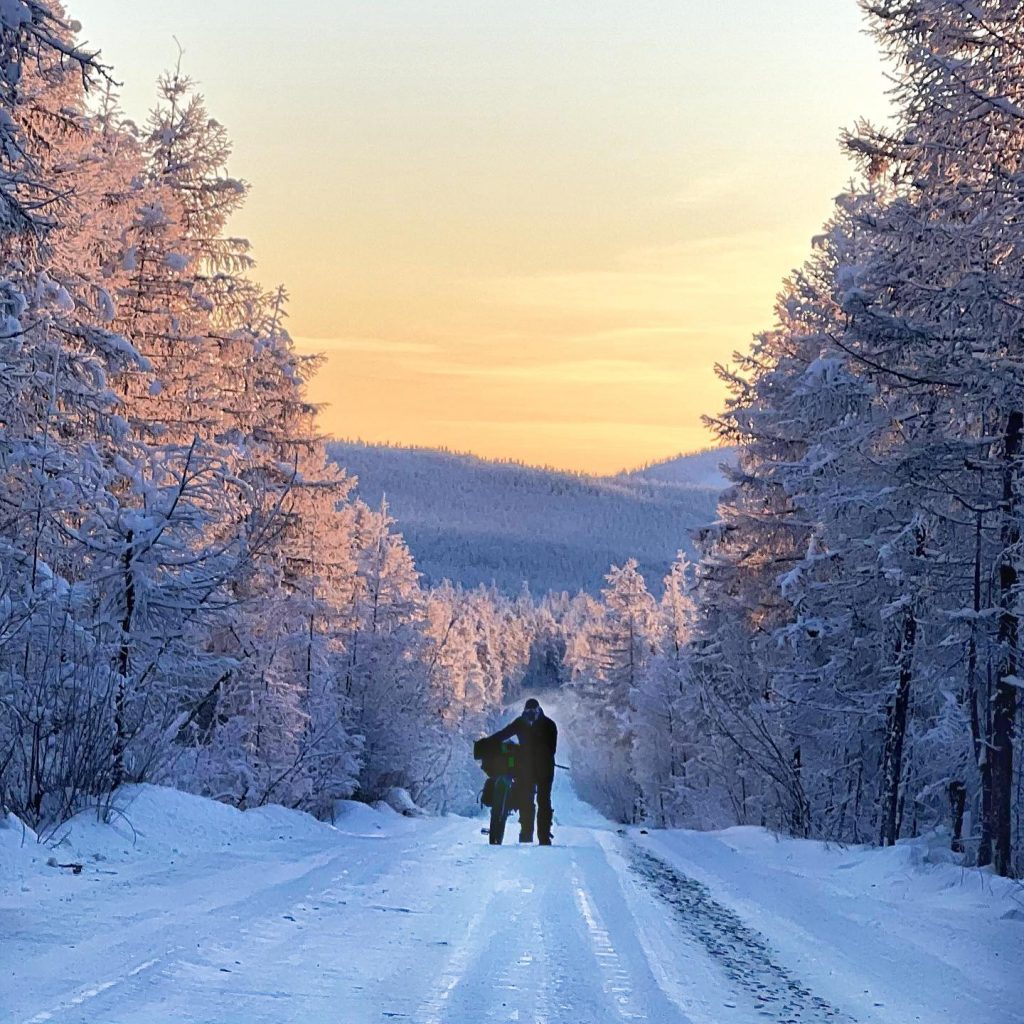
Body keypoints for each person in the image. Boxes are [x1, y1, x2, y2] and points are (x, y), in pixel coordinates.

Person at [487, 698, 557, 845]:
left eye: (533, 712)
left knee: (543, 801)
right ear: (524, 712)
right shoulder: (520, 723)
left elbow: (550, 750)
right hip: (527, 769)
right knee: (526, 800)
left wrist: (524, 752)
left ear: (538, 711)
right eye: (528, 712)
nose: (531, 715)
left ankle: (544, 838)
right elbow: (503, 734)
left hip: (545, 769)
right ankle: (526, 835)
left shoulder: (549, 725)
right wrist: (488, 744)